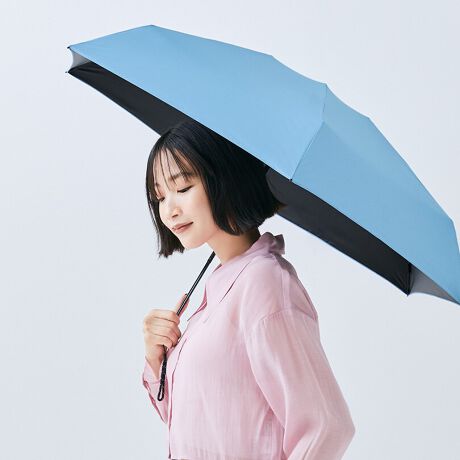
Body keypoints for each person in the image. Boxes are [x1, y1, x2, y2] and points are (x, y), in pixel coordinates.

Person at [141, 119, 355, 459]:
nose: (170, 210)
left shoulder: (264, 283)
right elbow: (197, 427)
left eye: (183, 187)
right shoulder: (219, 288)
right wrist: (158, 361)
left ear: (224, 179)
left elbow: (326, 426)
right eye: (160, 196)